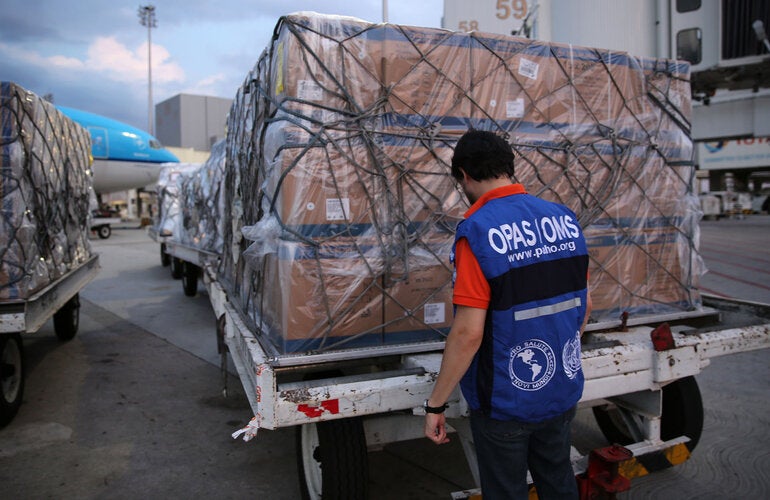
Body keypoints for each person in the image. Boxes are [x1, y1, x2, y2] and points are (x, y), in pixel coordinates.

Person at [424, 130, 592, 499]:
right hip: (561, 387)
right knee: (559, 480)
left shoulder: (478, 231)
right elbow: (584, 307)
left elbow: (468, 333)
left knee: (506, 491)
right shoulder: (564, 219)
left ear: (464, 175)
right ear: (509, 167)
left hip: (506, 400)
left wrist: (436, 403)